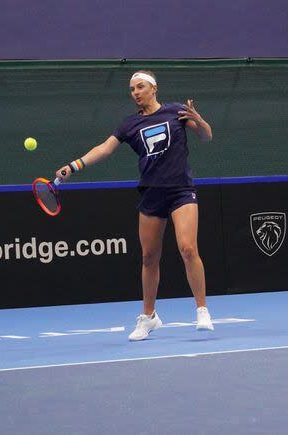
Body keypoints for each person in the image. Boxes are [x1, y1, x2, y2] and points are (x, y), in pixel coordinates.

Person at [56, 70, 214, 341]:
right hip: (152, 193)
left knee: (188, 248)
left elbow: (206, 137)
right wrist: (74, 165)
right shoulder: (129, 125)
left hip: (181, 190)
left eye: (140, 87)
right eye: (132, 89)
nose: (136, 93)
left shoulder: (176, 112)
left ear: (154, 88)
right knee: (149, 257)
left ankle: (202, 310)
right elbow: (104, 149)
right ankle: (149, 317)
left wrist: (199, 121)